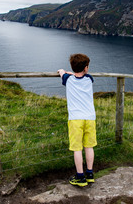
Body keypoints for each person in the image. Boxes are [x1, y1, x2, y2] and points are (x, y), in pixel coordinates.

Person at [58, 53, 97, 187]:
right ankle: (90, 173)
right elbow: (80, 74)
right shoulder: (89, 79)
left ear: (72, 67)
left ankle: (80, 177)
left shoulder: (68, 79)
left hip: (76, 119)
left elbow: (64, 73)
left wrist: (62, 71)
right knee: (89, 146)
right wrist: (76, 71)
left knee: (77, 148)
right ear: (86, 68)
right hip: (90, 118)